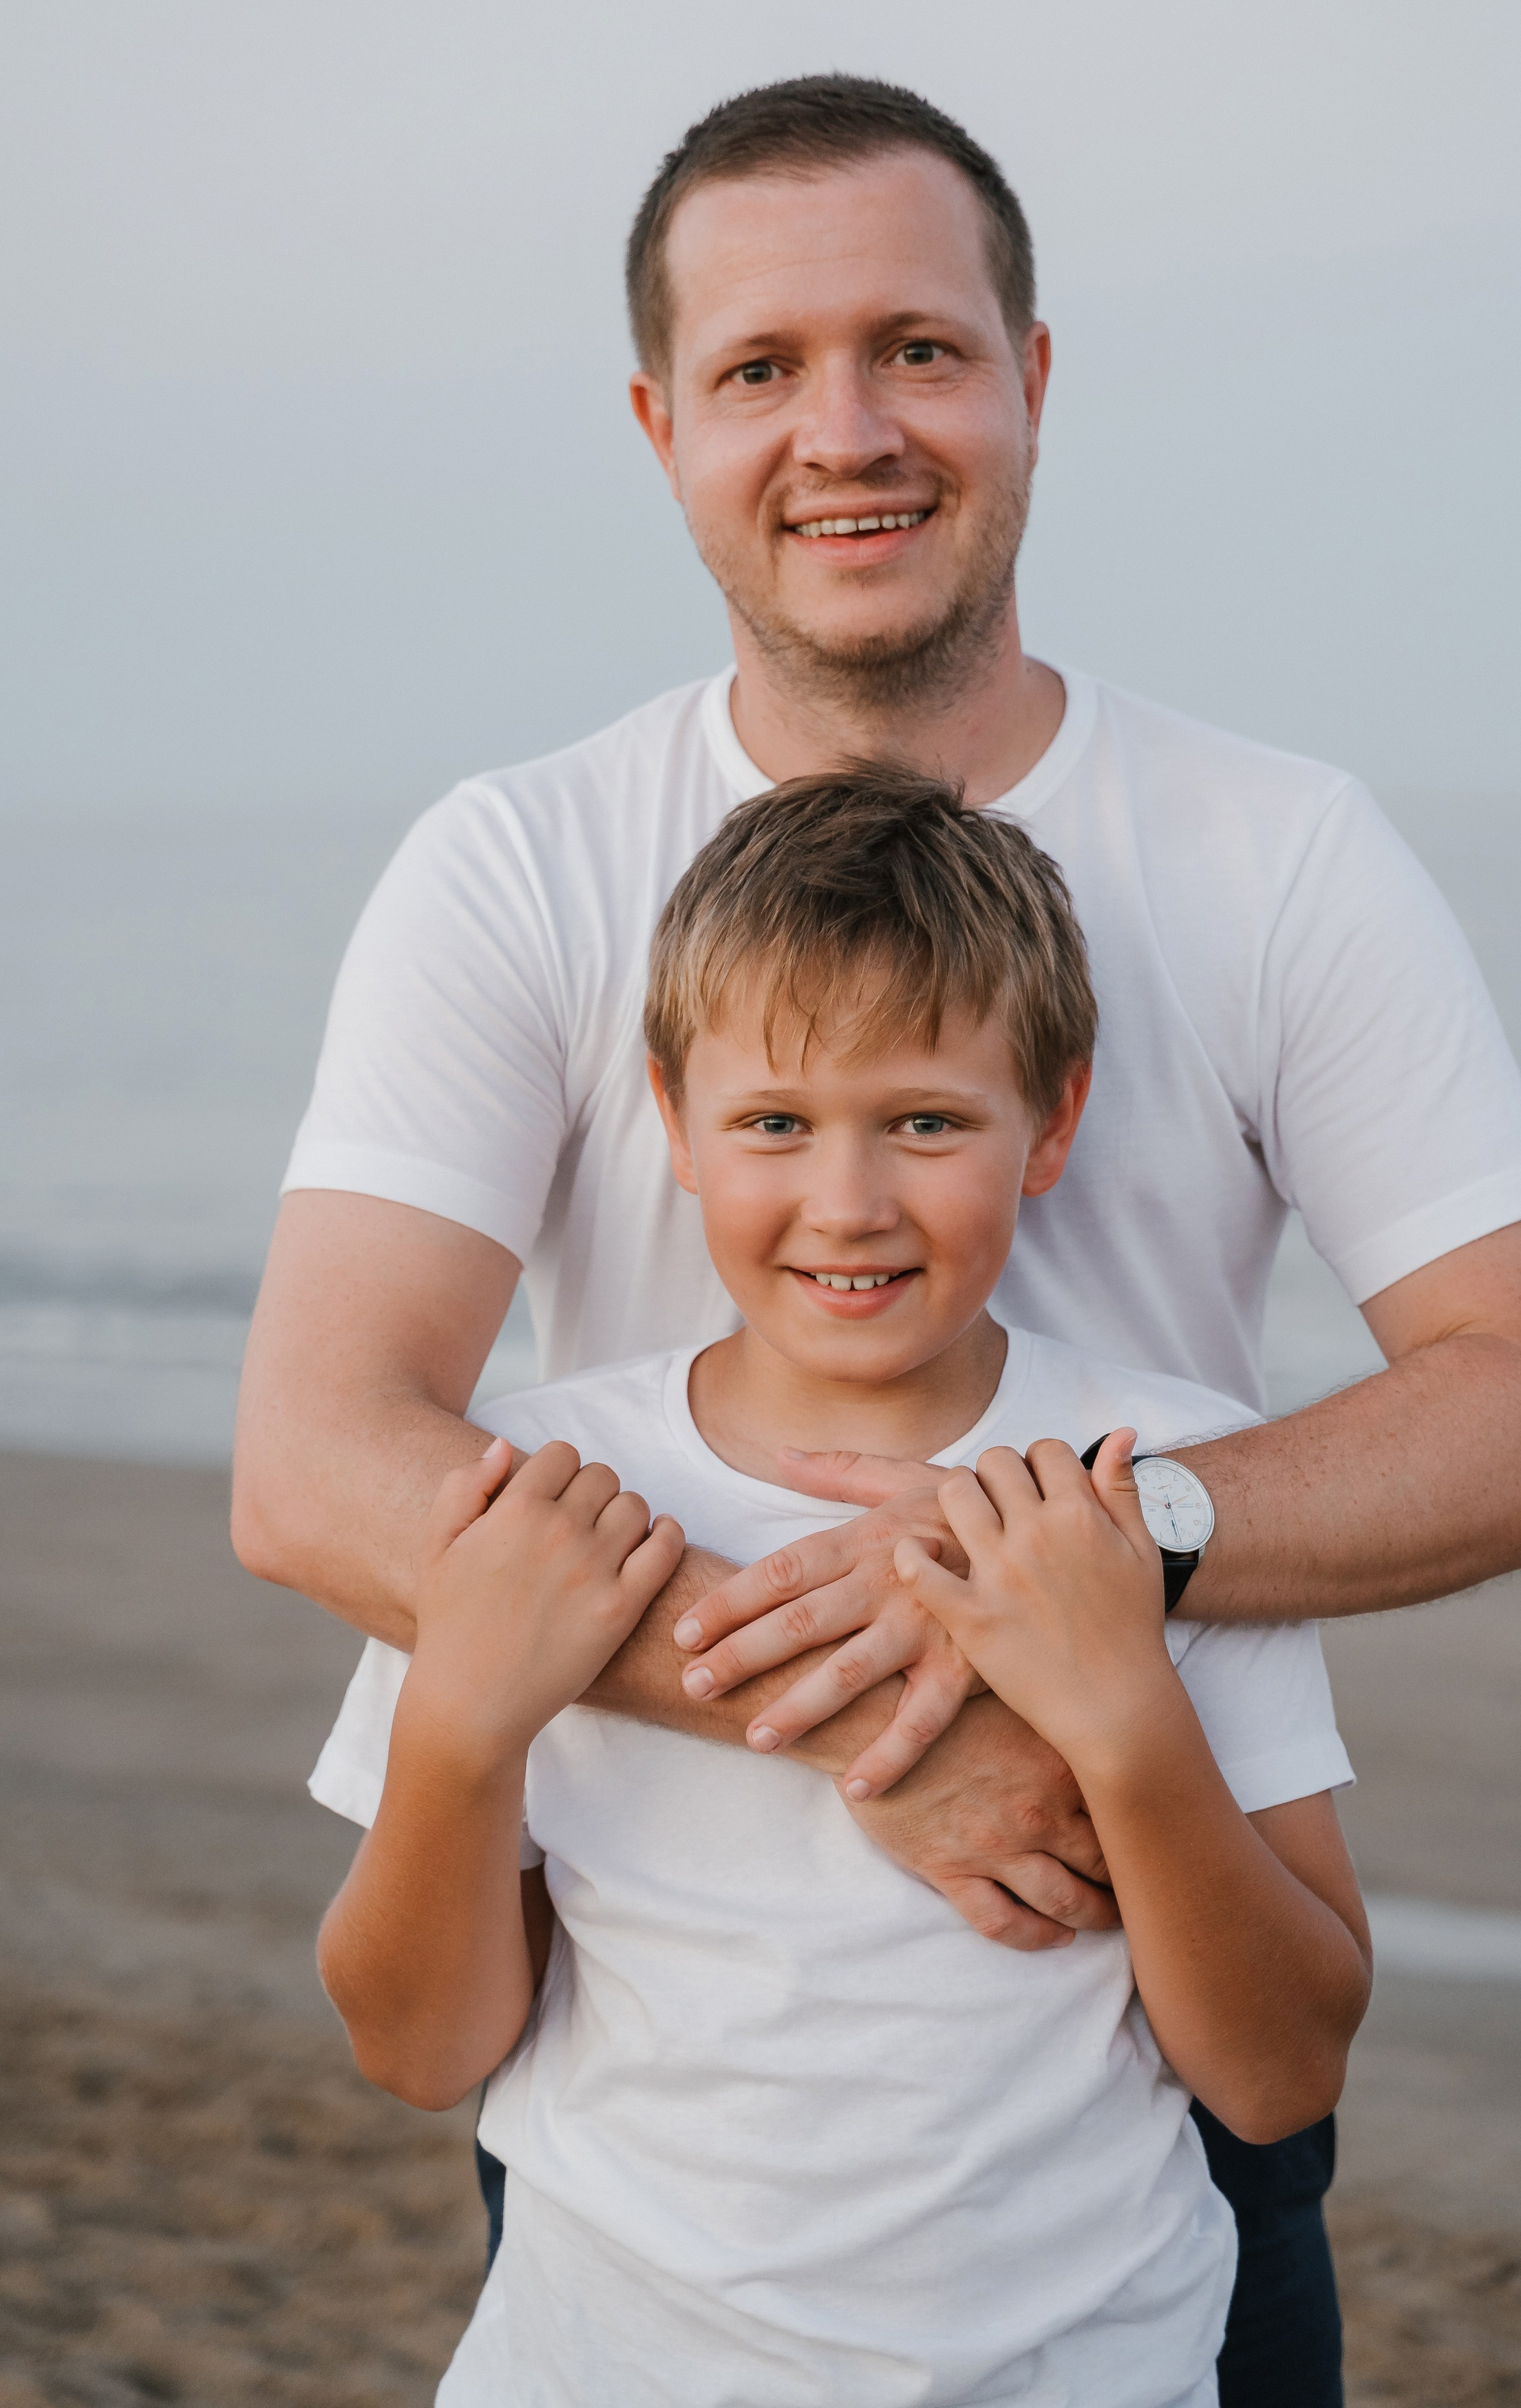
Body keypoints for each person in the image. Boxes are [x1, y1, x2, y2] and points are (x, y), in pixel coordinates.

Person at [234, 74, 1521, 2404]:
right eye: (763, 369)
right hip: (659, 2046)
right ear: (661, 421)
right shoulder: (517, 863)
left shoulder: (1281, 853)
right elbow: (316, 1460)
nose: (848, 428)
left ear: (1033, 383)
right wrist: (892, 1723)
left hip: (1128, 1998)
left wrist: (1095, 1579)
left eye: (918, 346)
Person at [310, 768, 1371, 2408]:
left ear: (1054, 1119)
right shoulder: (532, 1496)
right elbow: (418, 2049)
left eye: (928, 1121)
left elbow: (1279, 2070)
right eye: (776, 1123)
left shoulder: (1158, 1478)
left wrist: (1121, 1716)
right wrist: (462, 1717)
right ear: (671, 1121)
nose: (850, 1201)